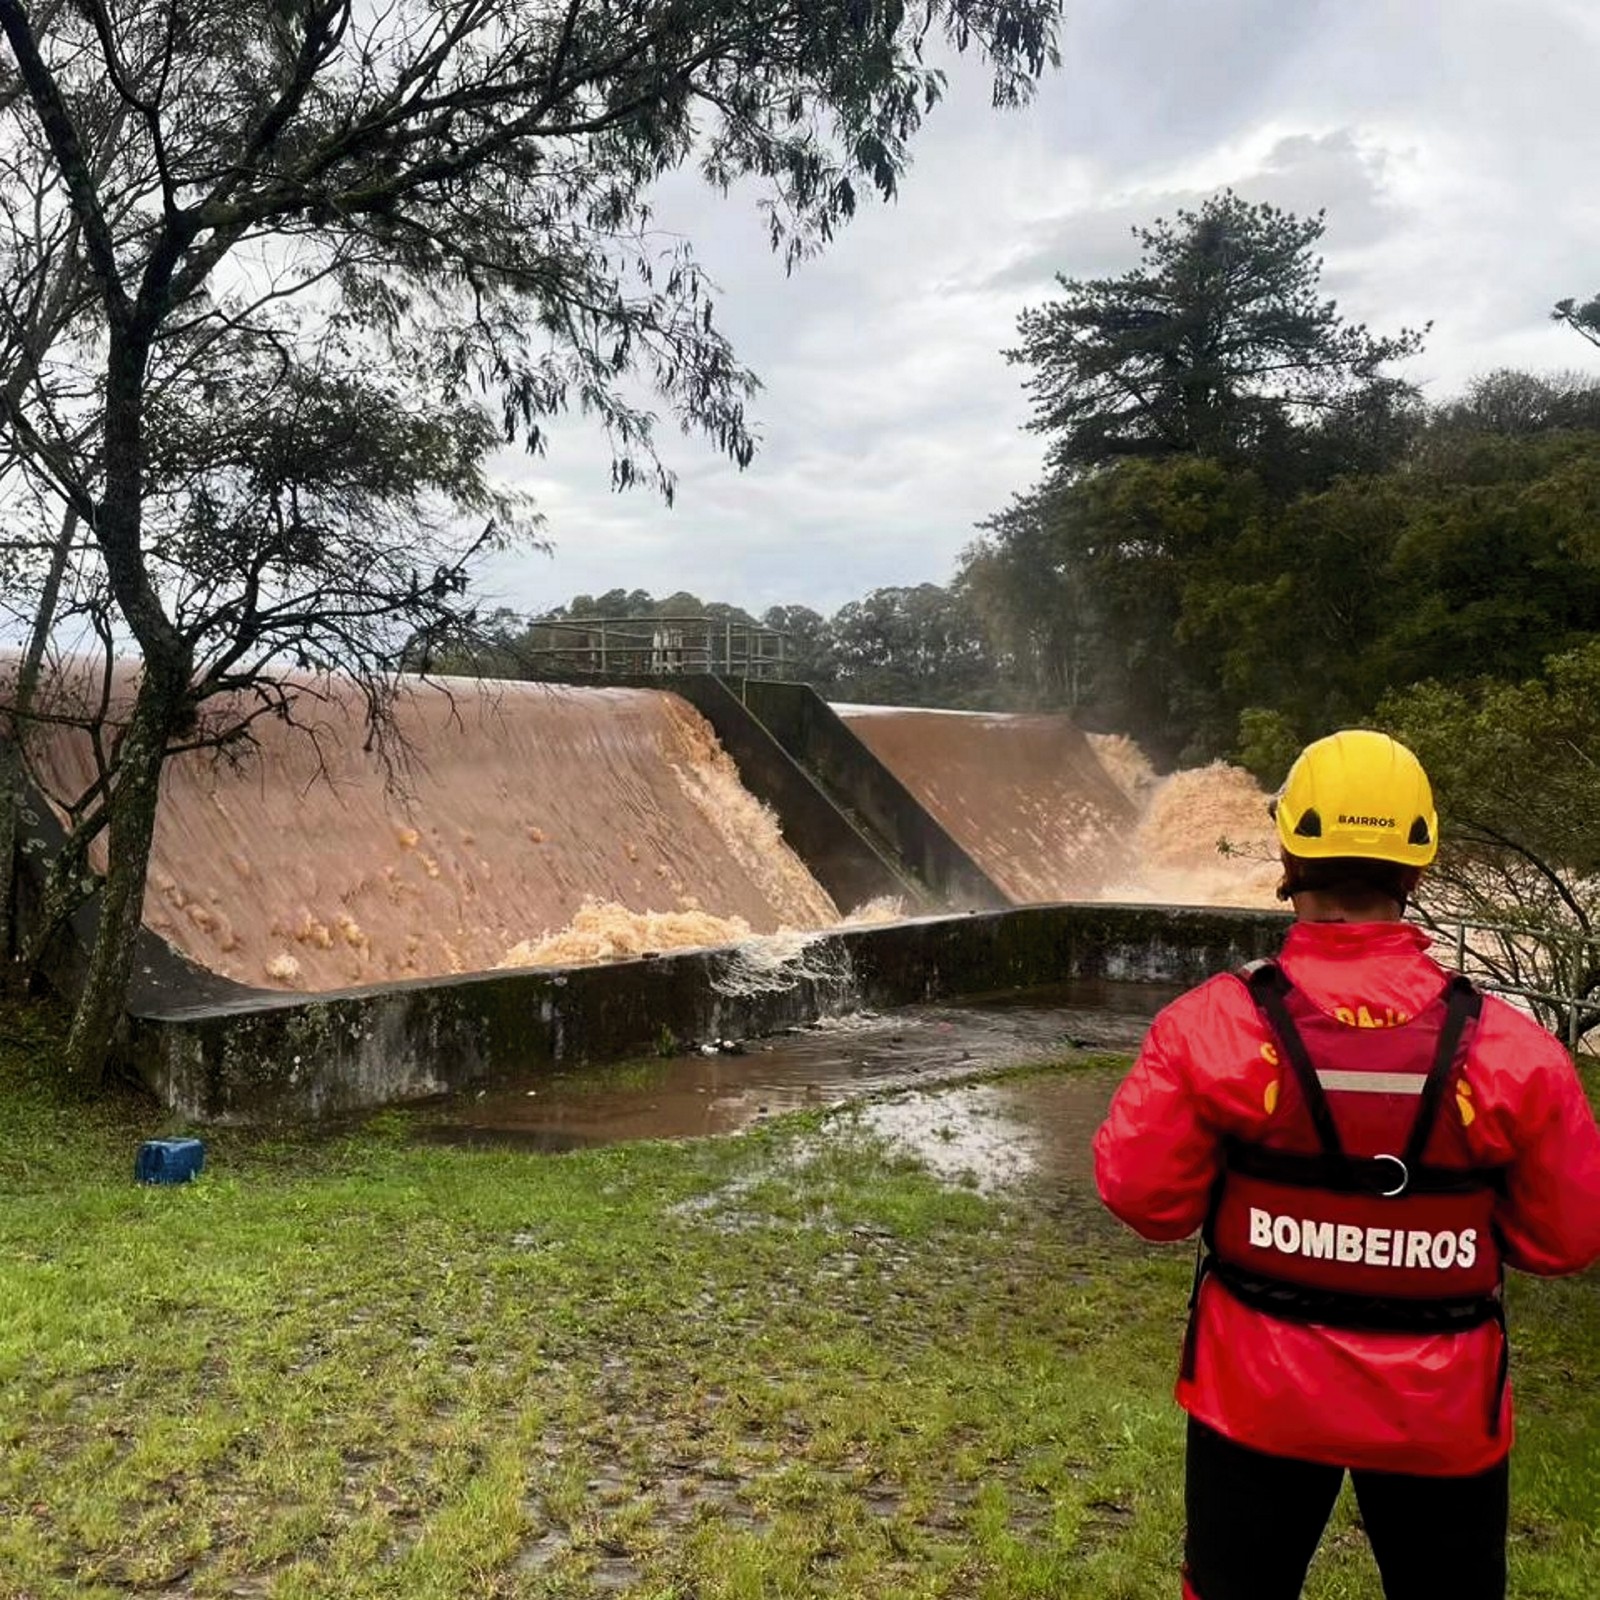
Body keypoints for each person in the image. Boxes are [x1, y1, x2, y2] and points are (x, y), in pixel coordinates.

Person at [1093, 728, 1600, 1600]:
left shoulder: (1213, 1028)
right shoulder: (1514, 1051)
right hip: (1442, 1414)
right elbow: (1565, 1238)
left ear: (1290, 852)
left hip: (1256, 1398)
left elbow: (1144, 1197)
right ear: (1419, 866)